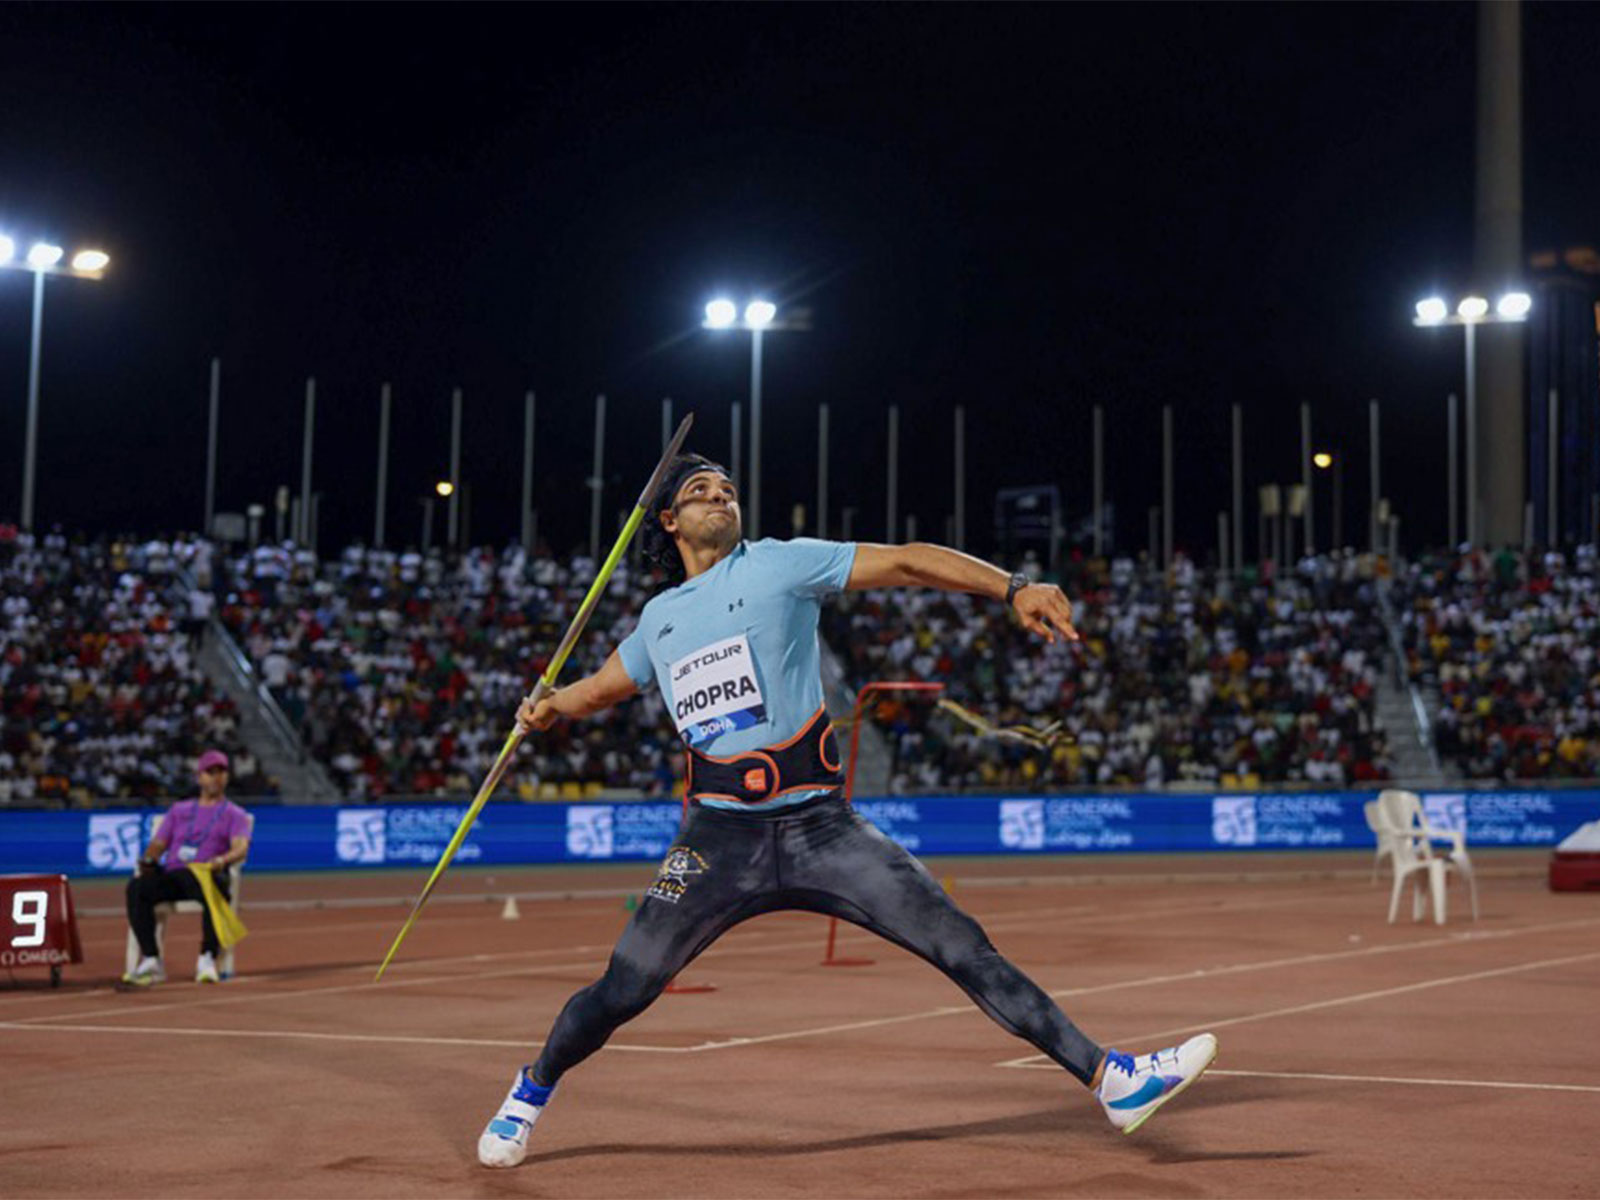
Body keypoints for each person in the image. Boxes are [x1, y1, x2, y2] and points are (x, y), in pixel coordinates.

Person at [477, 455, 1217, 1168]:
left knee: (962, 944)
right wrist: (547, 708)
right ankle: (530, 1089)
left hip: (820, 829)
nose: (723, 498)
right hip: (716, 840)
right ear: (667, 519)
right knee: (623, 987)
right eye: (703, 490)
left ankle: (1111, 1080)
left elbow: (907, 560)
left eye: (729, 489)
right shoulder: (658, 618)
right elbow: (606, 685)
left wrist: (1011, 585)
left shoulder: (780, 563)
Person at [122, 749, 252, 986]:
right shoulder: (179, 810)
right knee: (137, 888)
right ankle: (151, 958)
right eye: (210, 772)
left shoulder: (235, 814)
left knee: (215, 887)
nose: (216, 777)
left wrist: (220, 861)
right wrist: (149, 861)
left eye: (221, 772)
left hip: (205, 874)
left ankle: (207, 958)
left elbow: (241, 847)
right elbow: (157, 846)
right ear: (199, 777)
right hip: (174, 875)